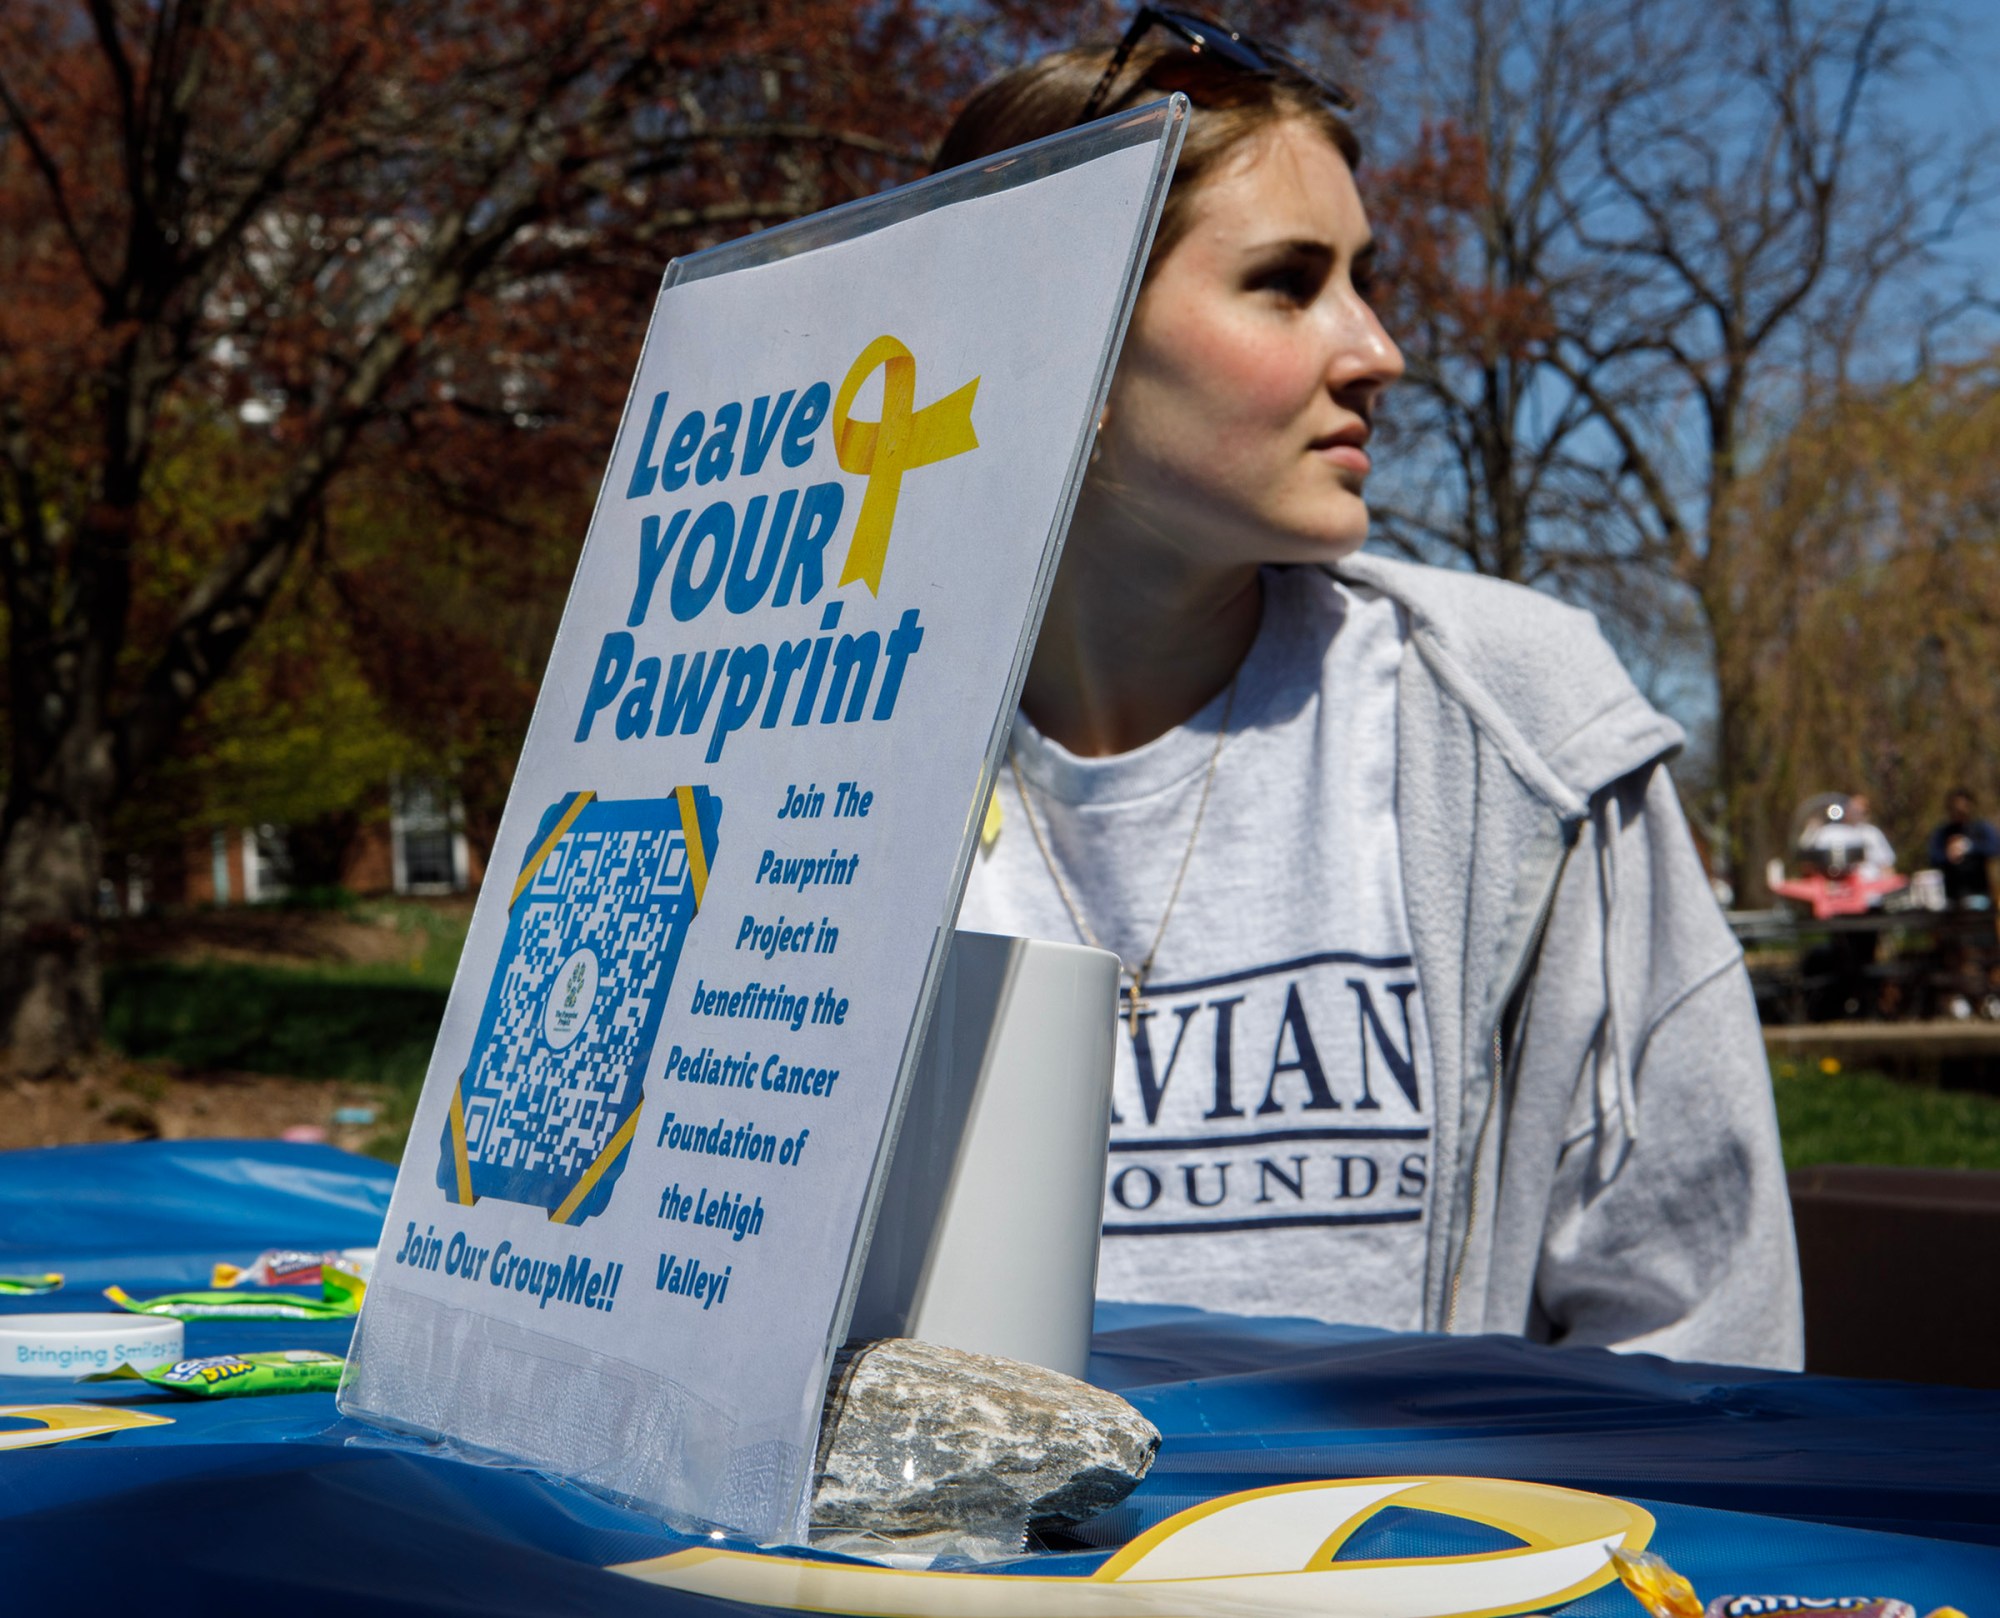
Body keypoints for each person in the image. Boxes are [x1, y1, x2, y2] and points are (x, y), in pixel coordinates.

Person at [947, 13, 1802, 1370]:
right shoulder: (832, 766)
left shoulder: (1520, 729)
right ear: (1062, 343)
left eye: (1364, 279)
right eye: (1288, 284)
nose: (1379, 350)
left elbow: (1695, 1320)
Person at [1927, 789, 1999, 907]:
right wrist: (1948, 855)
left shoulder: (1981, 828)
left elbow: (1994, 848)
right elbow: (1933, 857)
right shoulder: (1943, 832)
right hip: (1951, 896)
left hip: (1979, 893)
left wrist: (1969, 847)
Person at [1801, 793, 1896, 881]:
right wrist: (1811, 829)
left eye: (1860, 811)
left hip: (1868, 887)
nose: (1855, 813)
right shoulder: (1829, 832)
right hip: (1833, 885)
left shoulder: (1872, 834)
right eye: (1852, 809)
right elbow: (1808, 856)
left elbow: (1886, 865)